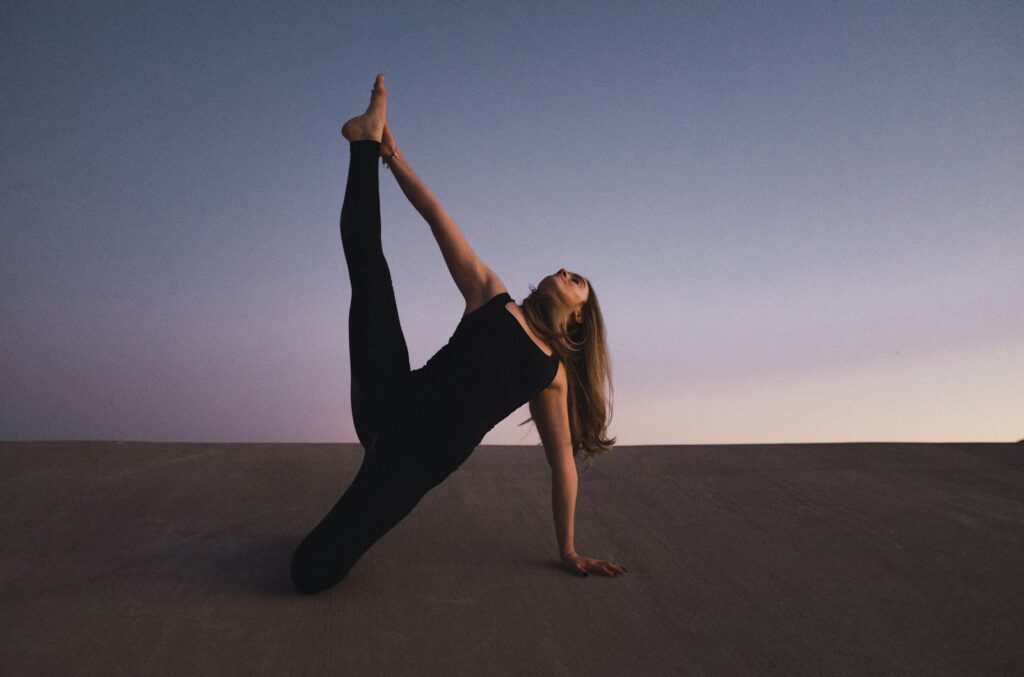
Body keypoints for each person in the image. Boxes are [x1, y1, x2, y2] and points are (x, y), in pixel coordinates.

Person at [290, 74, 625, 594]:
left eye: (576, 279)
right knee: (371, 273)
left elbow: (563, 468)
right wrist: (389, 156)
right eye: (566, 269)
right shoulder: (492, 294)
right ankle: (364, 139)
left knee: (308, 573)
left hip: (415, 463)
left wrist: (569, 550)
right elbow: (434, 215)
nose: (564, 272)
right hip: (390, 397)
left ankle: (345, 518)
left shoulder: (550, 374)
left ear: (580, 315)